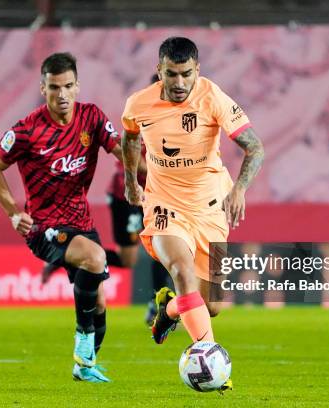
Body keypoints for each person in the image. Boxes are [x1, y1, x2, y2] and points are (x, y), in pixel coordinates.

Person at [121, 37, 264, 393]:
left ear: (197, 70)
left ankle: (167, 311)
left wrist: (240, 188)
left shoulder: (212, 96)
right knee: (182, 272)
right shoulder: (139, 103)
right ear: (160, 71)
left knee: (211, 304)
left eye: (187, 74)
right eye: (172, 74)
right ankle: (213, 366)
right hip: (164, 205)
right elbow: (129, 139)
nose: (180, 82)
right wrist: (130, 182)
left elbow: (255, 148)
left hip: (210, 208)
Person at [0, 52, 124, 383]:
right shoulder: (27, 130)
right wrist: (13, 213)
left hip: (81, 223)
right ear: (42, 88)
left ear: (78, 86)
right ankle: (81, 339)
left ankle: (83, 366)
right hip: (42, 227)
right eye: (54, 87)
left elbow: (120, 151)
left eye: (68, 86)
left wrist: (146, 174)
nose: (62, 94)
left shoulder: (91, 118)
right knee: (95, 258)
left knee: (100, 303)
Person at [106, 73, 170, 325]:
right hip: (128, 195)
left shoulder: (177, 119)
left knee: (162, 248)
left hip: (156, 196)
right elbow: (126, 153)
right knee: (127, 259)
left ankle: (156, 305)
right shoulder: (140, 113)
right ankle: (77, 256)